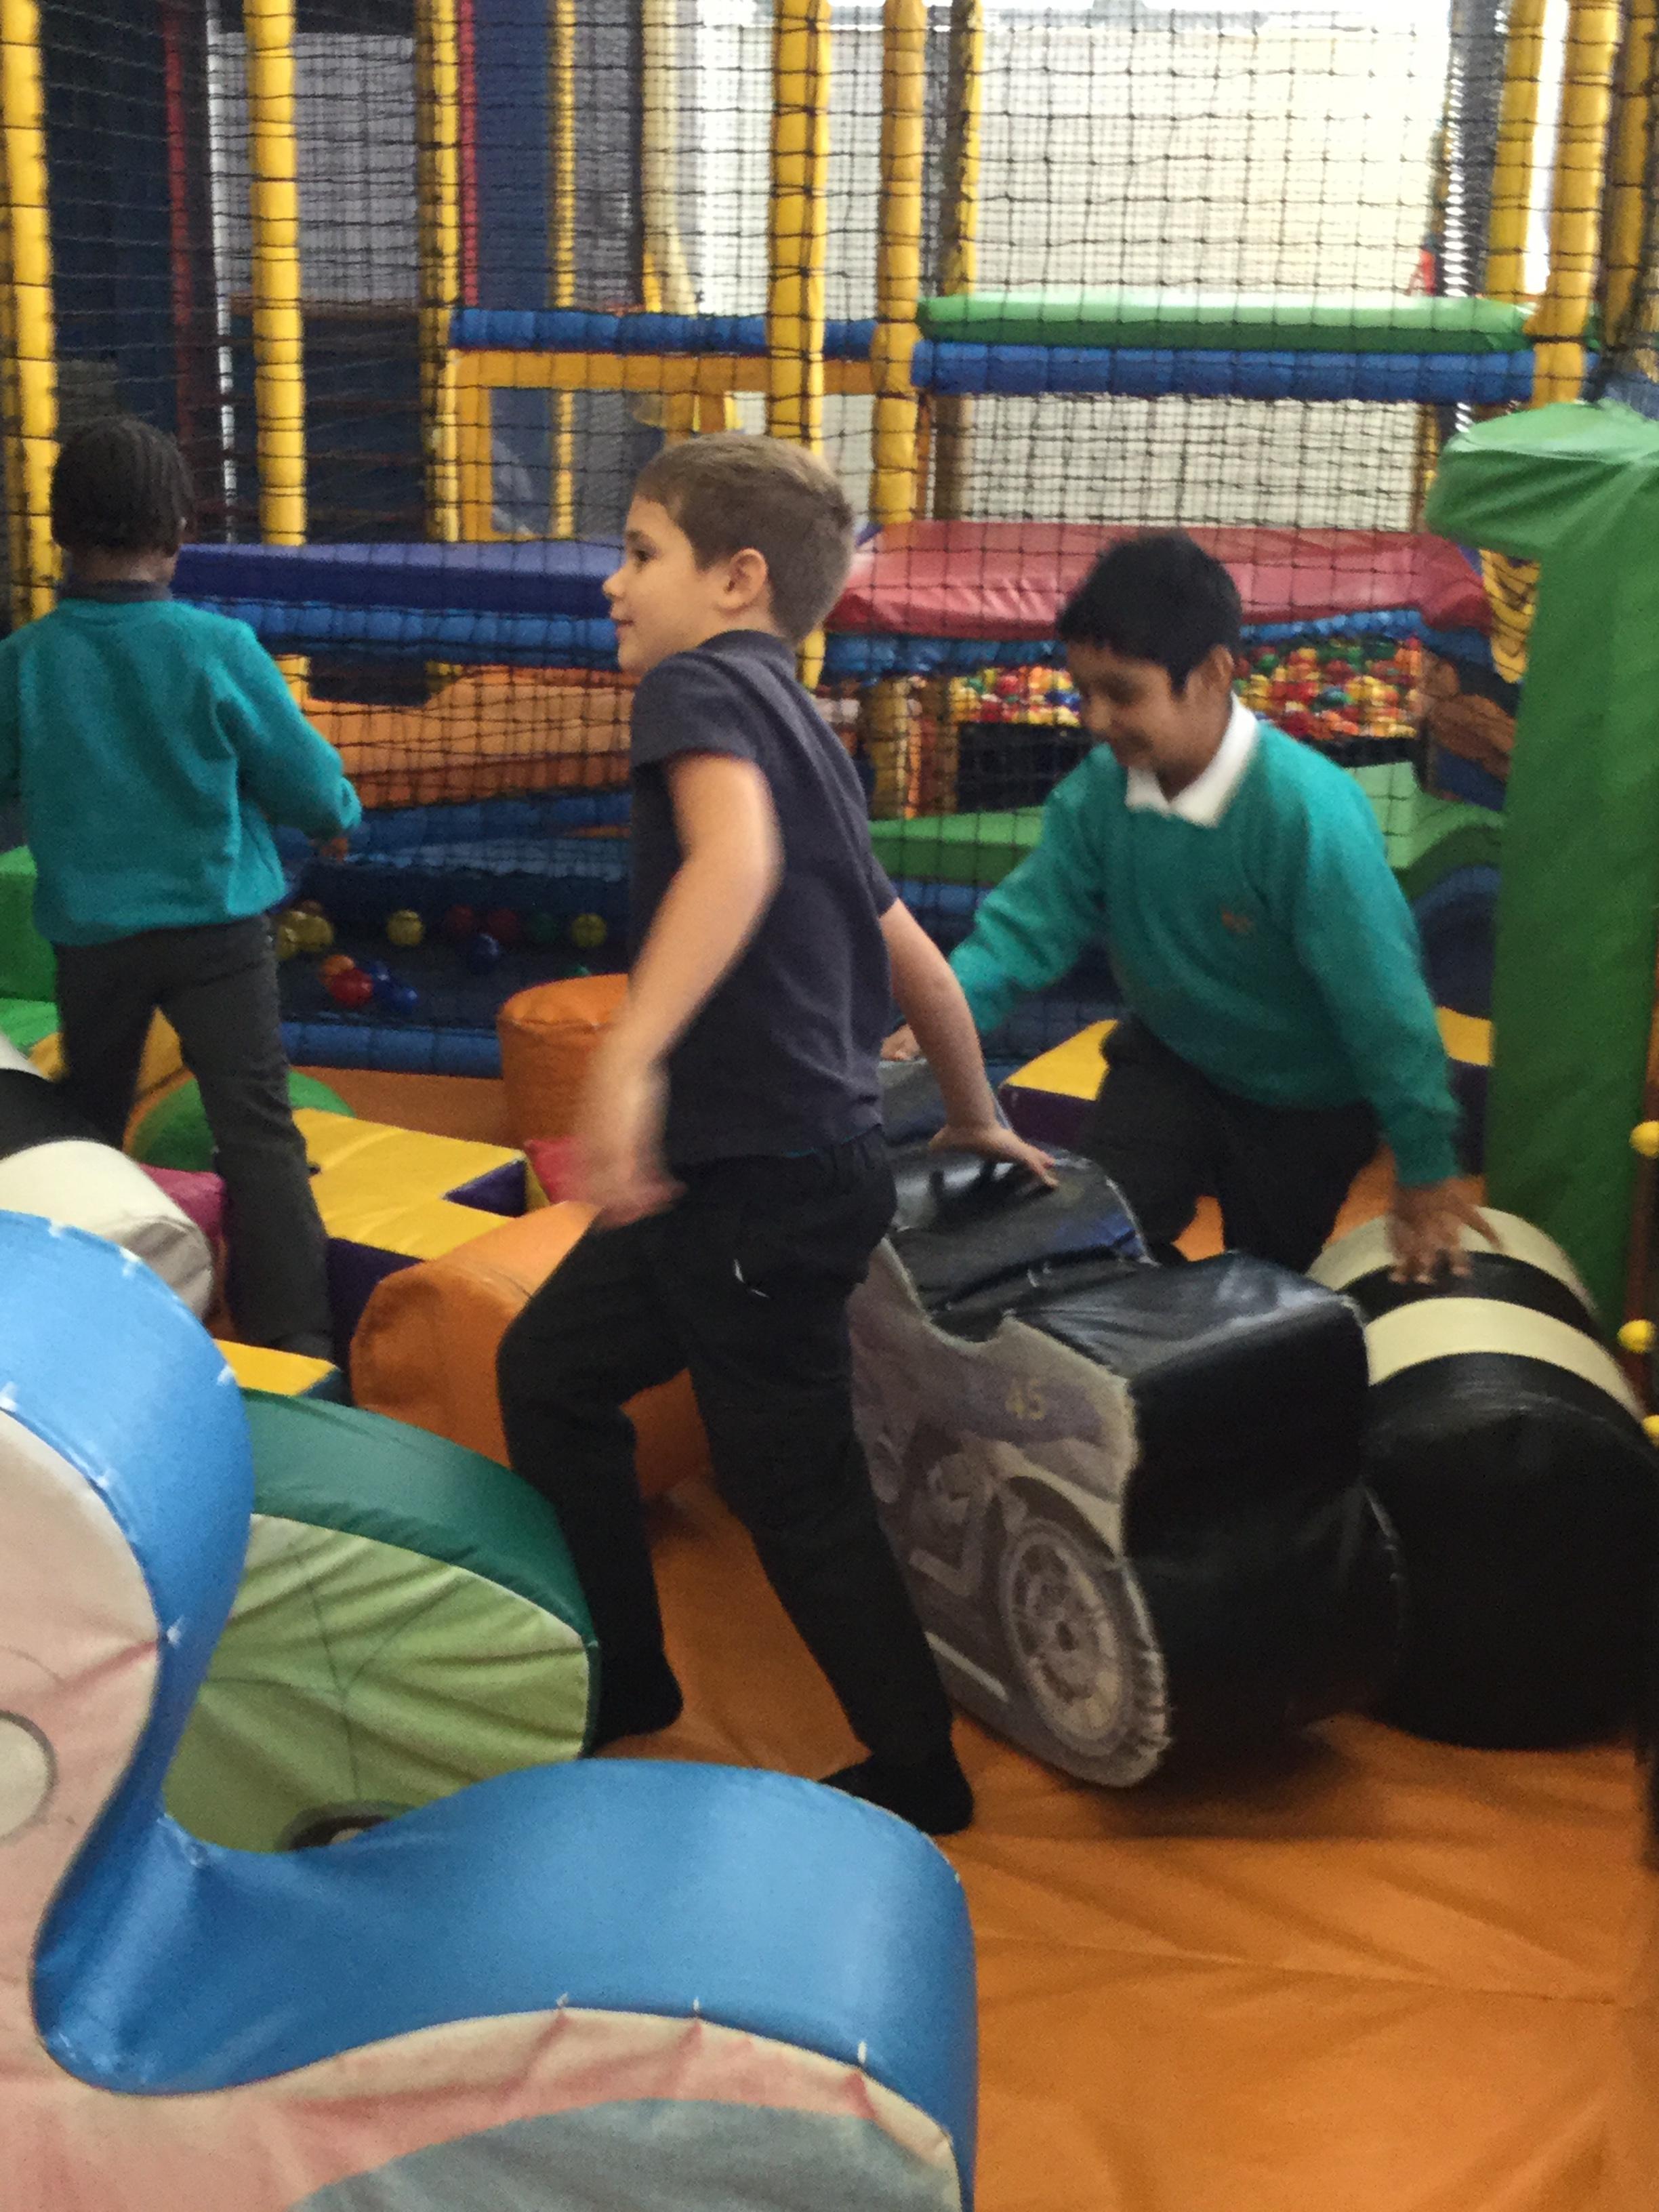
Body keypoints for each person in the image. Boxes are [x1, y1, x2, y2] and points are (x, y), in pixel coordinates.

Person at [497, 433, 1052, 1836]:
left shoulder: (696, 688)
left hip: (759, 1184)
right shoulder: (805, 723)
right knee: (549, 1371)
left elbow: (734, 860)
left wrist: (629, 1057)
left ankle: (918, 1767)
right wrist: (975, 1109)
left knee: (794, 1487)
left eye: (639, 553)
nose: (612, 583)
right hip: (754, 1179)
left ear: (737, 579)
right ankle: (624, 1670)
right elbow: (911, 952)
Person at [886, 531, 1490, 1282]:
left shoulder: (1303, 813)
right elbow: (1027, 924)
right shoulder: (1102, 793)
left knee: (1266, 1278)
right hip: (1172, 1059)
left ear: (1210, 674)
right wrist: (946, 1015)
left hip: (1304, 1099)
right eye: (1085, 692)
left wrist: (1426, 1163)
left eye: (1123, 694)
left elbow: (1382, 999)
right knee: (1095, 1229)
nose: (1095, 720)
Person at [0, 416, 361, 1357]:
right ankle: (296, 1339)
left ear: (59, 533)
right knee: (257, 1126)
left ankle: (72, 1321)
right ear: (181, 531)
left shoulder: (27, 661)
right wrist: (333, 814)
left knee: (87, 1119)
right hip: (217, 935)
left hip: (95, 939)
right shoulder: (216, 645)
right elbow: (300, 770)